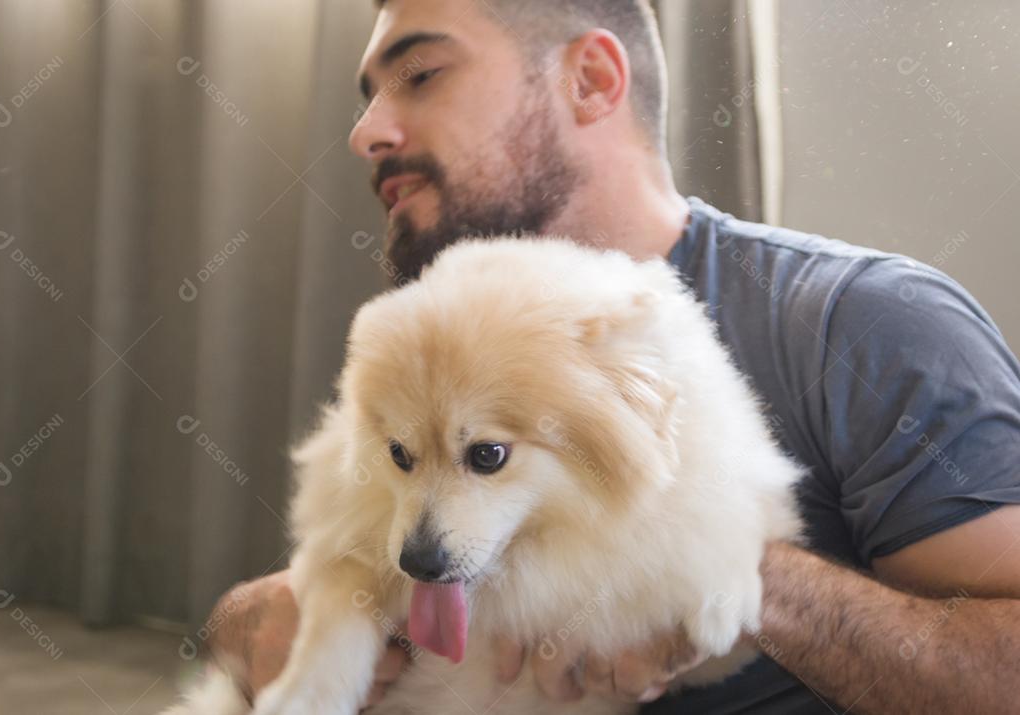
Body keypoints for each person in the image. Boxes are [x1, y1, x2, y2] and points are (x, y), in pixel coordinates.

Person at [208, 1, 1020, 712]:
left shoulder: (866, 323)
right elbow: (351, 560)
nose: (365, 133)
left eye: (419, 75)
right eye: (367, 98)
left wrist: (736, 578)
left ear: (591, 79)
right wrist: (248, 622)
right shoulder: (431, 335)